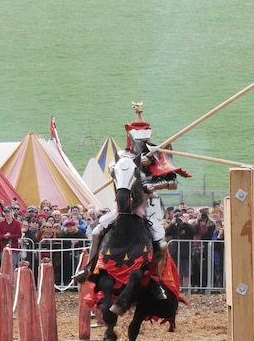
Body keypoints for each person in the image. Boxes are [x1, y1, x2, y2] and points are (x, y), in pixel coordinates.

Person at [75, 102, 191, 288]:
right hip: (125, 206)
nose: (142, 143)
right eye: (138, 140)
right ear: (130, 138)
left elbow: (173, 182)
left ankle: (159, 283)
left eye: (144, 140)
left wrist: (149, 184)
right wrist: (136, 164)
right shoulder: (123, 156)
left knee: (160, 243)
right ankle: (89, 268)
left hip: (149, 205)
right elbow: (114, 171)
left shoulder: (159, 154)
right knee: (97, 231)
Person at [0, 205, 22, 270]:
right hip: (3, 248)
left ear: (12, 212)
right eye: (6, 212)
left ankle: (12, 280)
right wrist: (4, 236)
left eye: (8, 212)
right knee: (4, 266)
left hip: (14, 249)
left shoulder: (17, 223)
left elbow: (19, 235)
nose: (7, 214)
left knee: (12, 266)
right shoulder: (1, 223)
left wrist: (10, 236)